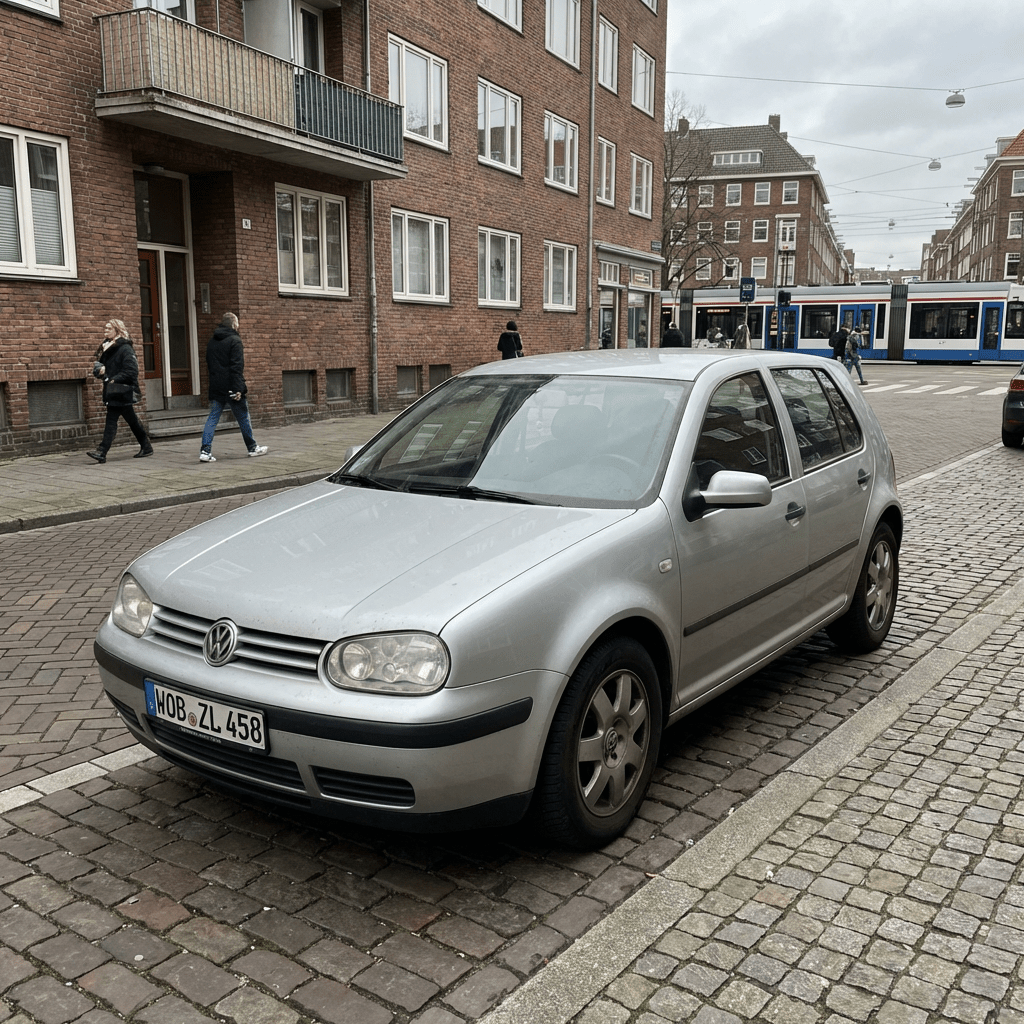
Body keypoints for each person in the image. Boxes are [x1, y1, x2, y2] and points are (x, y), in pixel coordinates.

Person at [199, 312, 268, 462]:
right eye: (237, 323)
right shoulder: (235, 341)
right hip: (231, 387)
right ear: (234, 325)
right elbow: (237, 367)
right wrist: (238, 389)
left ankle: (205, 451)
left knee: (213, 418)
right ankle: (252, 447)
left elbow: (210, 365)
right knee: (243, 417)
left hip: (216, 386)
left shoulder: (212, 341)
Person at [86, 319, 153, 464]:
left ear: (117, 330)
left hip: (120, 390)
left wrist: (113, 379)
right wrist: (100, 371)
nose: (105, 330)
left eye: (109, 328)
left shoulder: (125, 348)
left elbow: (131, 371)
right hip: (113, 390)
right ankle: (146, 446)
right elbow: (104, 365)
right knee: (131, 420)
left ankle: (102, 451)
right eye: (105, 328)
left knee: (111, 421)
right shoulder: (107, 347)